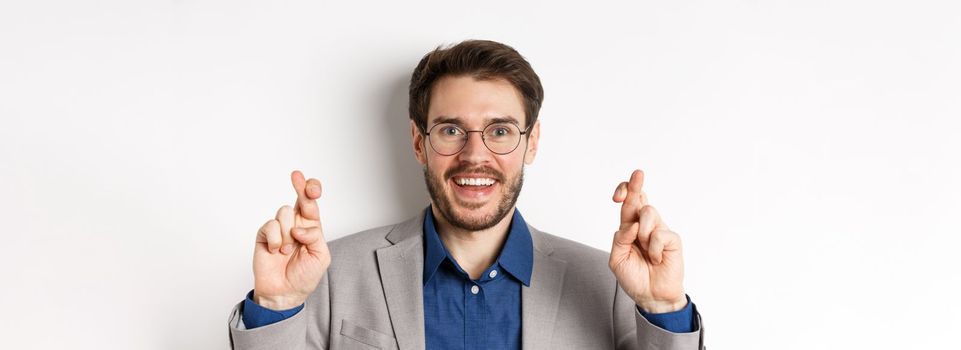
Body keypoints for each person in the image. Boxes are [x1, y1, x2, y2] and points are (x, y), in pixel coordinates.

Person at [227, 40, 705, 350]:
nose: (475, 155)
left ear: (531, 143)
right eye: (452, 129)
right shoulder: (332, 275)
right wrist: (278, 304)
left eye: (499, 131)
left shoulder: (612, 288)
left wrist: (663, 308)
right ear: (419, 142)